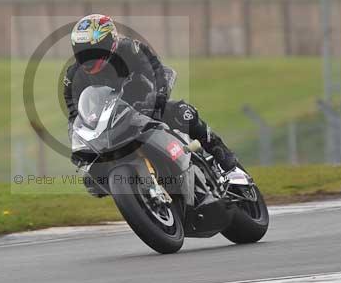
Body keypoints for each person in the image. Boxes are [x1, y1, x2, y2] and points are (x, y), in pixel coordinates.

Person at [63, 14, 240, 193]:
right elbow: (75, 116)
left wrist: (159, 98)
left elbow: (156, 70)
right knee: (93, 179)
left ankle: (228, 164)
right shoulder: (73, 77)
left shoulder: (130, 49)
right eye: (82, 52)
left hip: (144, 104)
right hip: (110, 122)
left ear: (111, 42)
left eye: (94, 51)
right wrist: (79, 146)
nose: (88, 58)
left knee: (184, 112)